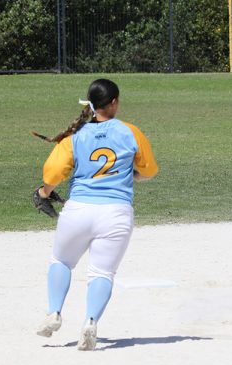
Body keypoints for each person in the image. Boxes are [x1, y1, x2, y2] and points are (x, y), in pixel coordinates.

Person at [33, 78, 159, 350]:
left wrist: (44, 192)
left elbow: (52, 174)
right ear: (113, 103)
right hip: (116, 213)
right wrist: (132, 175)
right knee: (102, 272)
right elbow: (148, 171)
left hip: (79, 210)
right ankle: (90, 322)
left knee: (62, 261)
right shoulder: (130, 132)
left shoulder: (75, 136)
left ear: (91, 104)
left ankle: (54, 312)